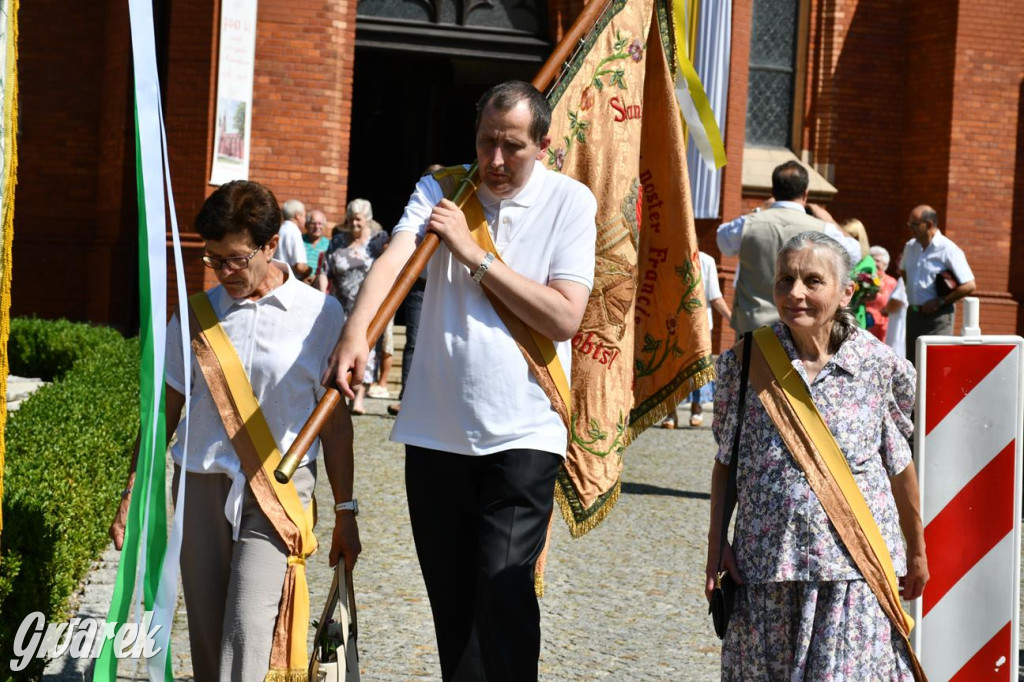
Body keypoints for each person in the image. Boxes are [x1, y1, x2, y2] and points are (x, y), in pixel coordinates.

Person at [327, 80, 596, 681]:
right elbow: (393, 261)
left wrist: (474, 254)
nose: (496, 162)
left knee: (503, 592)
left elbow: (564, 315)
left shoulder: (571, 202)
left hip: (526, 428)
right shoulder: (443, 188)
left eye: (512, 147)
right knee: (454, 608)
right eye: (486, 143)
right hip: (435, 428)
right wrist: (356, 333)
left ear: (543, 145)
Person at [109, 180, 361, 681]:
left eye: (237, 259)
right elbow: (165, 411)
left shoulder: (320, 315)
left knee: (247, 628)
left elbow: (335, 427)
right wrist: (133, 491)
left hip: (280, 490)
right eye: (213, 259)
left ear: (271, 245)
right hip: (201, 482)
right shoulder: (199, 314)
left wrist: (346, 511)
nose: (224, 272)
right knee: (206, 634)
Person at [706, 231, 927, 680]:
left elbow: (899, 467)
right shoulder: (745, 363)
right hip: (765, 568)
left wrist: (917, 550)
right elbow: (726, 464)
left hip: (854, 568)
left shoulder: (877, 365)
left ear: (847, 292)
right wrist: (716, 547)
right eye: (785, 280)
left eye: (812, 281)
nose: (796, 294)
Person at [717, 161, 861, 334]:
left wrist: (757, 211)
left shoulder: (748, 224)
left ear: (773, 192)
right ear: (805, 193)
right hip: (801, 325)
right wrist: (829, 220)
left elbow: (723, 241)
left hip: (753, 326)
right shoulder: (824, 228)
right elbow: (853, 254)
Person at [321, 198, 389, 414]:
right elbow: (324, 270)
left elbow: (388, 270)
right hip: (340, 304)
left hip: (367, 305)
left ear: (367, 219)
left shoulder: (377, 242)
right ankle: (339, 391)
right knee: (338, 346)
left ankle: (358, 397)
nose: (354, 224)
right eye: (350, 219)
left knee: (367, 348)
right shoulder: (338, 240)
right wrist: (323, 293)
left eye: (358, 220)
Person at [899, 204, 976, 365]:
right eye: (908, 225)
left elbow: (969, 285)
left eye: (914, 224)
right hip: (913, 314)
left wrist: (939, 302)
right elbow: (903, 270)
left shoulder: (948, 249)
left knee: (936, 363)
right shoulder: (910, 247)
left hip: (938, 317)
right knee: (912, 364)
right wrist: (911, 292)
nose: (909, 228)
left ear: (928, 225)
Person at [661, 251, 731, 429]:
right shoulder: (671, 257)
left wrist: (731, 317)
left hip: (700, 325)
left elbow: (715, 296)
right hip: (674, 323)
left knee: (699, 369)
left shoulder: (707, 261)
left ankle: (696, 408)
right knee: (672, 369)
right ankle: (671, 413)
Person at [841, 219, 879, 329]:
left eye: (851, 237)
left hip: (856, 313)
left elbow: (873, 294)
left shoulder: (868, 261)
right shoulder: (837, 257)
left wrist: (867, 292)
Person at [866, 245, 900, 343]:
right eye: (871, 260)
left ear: (885, 264)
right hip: (863, 324)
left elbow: (895, 305)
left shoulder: (891, 282)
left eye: (877, 261)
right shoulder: (863, 280)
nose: (873, 263)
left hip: (882, 328)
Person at [274, 198, 312, 280]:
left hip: (277, 278)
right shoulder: (294, 232)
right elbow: (299, 267)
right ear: (298, 216)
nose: (305, 219)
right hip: (290, 281)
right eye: (304, 215)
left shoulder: (280, 230)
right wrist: (310, 272)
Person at [303, 209, 331, 286]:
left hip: (321, 285)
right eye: (313, 223)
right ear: (307, 225)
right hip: (300, 283)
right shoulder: (299, 241)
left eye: (320, 223)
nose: (317, 226)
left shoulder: (329, 244)